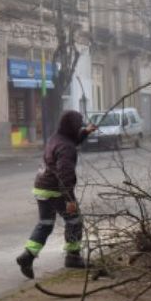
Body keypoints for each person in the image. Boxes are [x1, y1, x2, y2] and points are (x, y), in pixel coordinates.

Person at [15, 110, 97, 279]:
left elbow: (71, 140)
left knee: (45, 224)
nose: (80, 127)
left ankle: (28, 256)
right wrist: (69, 200)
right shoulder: (66, 148)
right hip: (55, 190)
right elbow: (65, 175)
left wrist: (85, 132)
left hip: (41, 186)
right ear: (72, 127)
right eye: (79, 126)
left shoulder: (56, 138)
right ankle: (73, 257)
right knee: (74, 220)